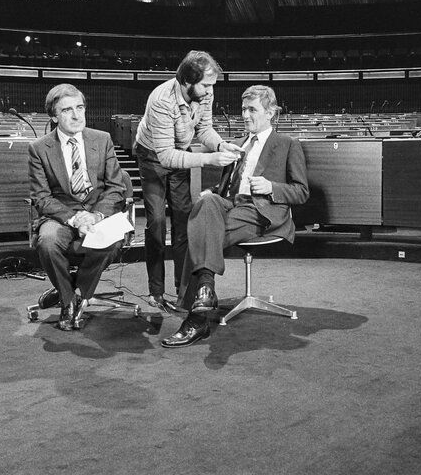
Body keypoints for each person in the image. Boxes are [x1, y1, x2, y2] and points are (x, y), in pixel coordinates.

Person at [162, 85, 309, 348]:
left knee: (200, 232)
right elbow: (225, 188)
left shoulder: (287, 144)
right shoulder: (238, 143)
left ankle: (196, 317)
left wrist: (272, 187)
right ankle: (205, 289)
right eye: (243, 109)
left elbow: (301, 192)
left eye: (252, 109)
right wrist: (212, 193)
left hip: (260, 211)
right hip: (231, 204)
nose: (245, 115)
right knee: (206, 203)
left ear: (271, 113)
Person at [135, 50, 243, 311]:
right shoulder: (161, 99)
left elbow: (204, 130)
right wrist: (209, 159)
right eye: (206, 85)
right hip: (153, 158)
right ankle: (156, 292)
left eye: (212, 85)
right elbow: (166, 156)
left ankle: (183, 294)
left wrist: (221, 144)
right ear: (186, 81)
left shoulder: (205, 92)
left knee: (184, 220)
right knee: (157, 223)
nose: (210, 91)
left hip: (179, 154)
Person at [28, 83, 128, 331]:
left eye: (80, 107)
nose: (76, 115)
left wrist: (94, 216)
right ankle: (69, 300)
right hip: (60, 216)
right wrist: (75, 219)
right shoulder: (39, 149)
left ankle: (75, 294)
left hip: (97, 212)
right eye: (67, 110)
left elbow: (116, 187)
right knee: (48, 242)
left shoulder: (102, 139)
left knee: (111, 241)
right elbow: (41, 197)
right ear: (54, 116)